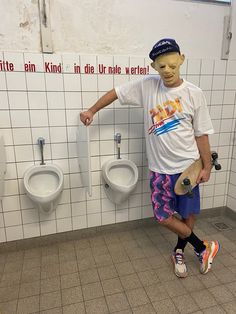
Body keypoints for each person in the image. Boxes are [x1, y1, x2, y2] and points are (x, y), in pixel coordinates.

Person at [80, 38, 220, 278]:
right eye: (162, 66)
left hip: (189, 167)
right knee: (163, 216)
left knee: (187, 214)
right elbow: (116, 93)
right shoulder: (147, 86)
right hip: (159, 170)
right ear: (154, 66)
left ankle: (179, 250)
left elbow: (202, 135)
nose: (167, 70)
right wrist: (92, 110)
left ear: (181, 60)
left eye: (172, 65)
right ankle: (202, 246)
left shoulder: (194, 94)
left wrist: (206, 167)